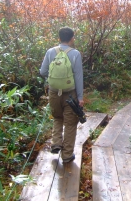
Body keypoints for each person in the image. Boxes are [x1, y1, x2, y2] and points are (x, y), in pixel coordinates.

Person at [40, 27, 84, 163]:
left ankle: (56, 143)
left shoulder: (50, 52)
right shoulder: (75, 54)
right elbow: (78, 77)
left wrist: (55, 79)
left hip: (53, 92)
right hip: (70, 94)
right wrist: (80, 97)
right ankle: (67, 155)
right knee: (70, 124)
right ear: (72, 38)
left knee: (57, 118)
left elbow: (42, 71)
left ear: (59, 38)